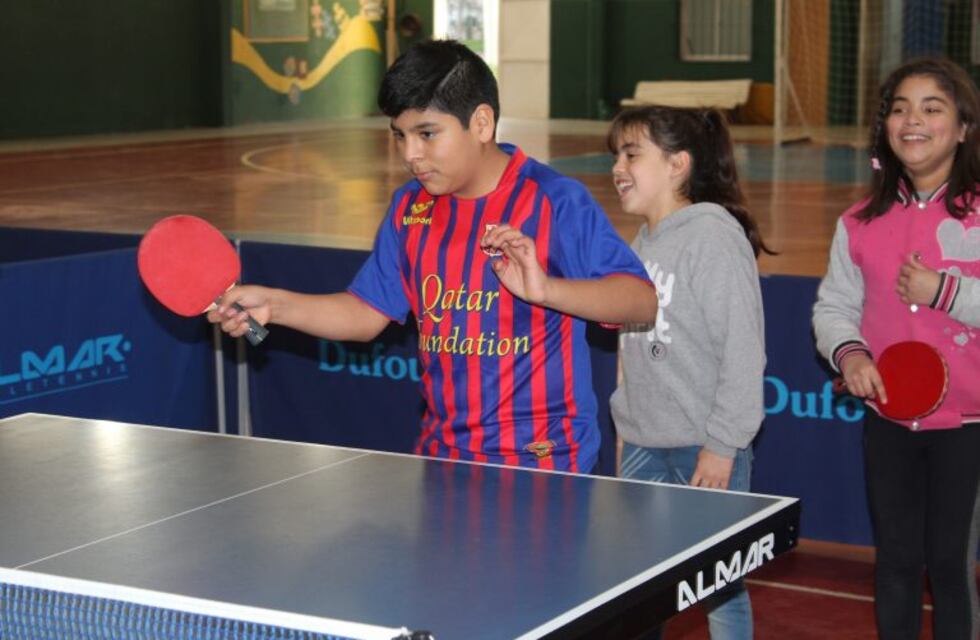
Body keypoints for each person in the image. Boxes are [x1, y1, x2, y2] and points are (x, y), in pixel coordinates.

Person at [210, 40, 658, 473]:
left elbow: (640, 300)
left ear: (481, 123)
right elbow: (367, 312)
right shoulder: (411, 207)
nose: (410, 155)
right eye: (400, 136)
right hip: (442, 452)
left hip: (542, 458)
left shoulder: (554, 200)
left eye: (426, 134)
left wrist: (548, 289)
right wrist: (276, 306)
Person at [812, 56, 980, 640]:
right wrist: (852, 355)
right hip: (889, 422)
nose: (913, 120)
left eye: (933, 108)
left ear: (962, 127)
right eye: (900, 109)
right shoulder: (859, 221)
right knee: (897, 564)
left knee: (952, 568)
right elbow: (833, 307)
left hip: (969, 425)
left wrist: (946, 291)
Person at [607, 105, 772, 639]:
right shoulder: (639, 246)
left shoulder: (713, 237)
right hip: (644, 445)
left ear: (677, 165)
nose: (618, 166)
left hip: (702, 449)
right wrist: (625, 431)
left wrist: (723, 446)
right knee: (638, 585)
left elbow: (744, 352)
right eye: (616, 155)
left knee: (718, 585)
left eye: (632, 154)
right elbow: (629, 354)